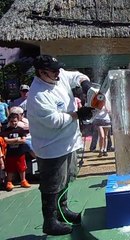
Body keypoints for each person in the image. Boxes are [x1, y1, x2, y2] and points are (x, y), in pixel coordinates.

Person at [26, 55, 94, 235]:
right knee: (52, 184)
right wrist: (77, 115)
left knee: (65, 179)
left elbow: (74, 76)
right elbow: (54, 121)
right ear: (42, 73)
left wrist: (84, 83)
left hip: (68, 141)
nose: (58, 73)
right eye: (54, 71)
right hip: (51, 146)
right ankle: (49, 221)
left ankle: (62, 209)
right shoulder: (38, 94)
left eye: (58, 69)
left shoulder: (58, 75)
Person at [3, 113, 31, 191]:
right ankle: (9, 182)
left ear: (18, 121)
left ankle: (23, 180)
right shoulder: (6, 130)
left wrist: (15, 141)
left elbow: (23, 140)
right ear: (9, 121)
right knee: (10, 168)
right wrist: (16, 140)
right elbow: (6, 140)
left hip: (20, 152)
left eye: (15, 121)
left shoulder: (20, 130)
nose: (13, 123)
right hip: (10, 153)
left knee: (22, 168)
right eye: (12, 121)